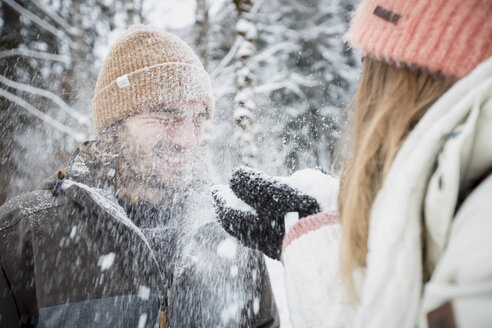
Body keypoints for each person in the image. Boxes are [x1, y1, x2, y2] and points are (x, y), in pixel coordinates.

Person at [213, 0, 492, 326]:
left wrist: (314, 248)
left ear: (407, 79)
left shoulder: (483, 224)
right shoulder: (457, 197)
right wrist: (330, 230)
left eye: (371, 69)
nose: (361, 100)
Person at [0, 24, 278, 327]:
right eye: (165, 115)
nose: (186, 139)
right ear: (117, 122)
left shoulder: (228, 228)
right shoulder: (27, 234)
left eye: (198, 118)